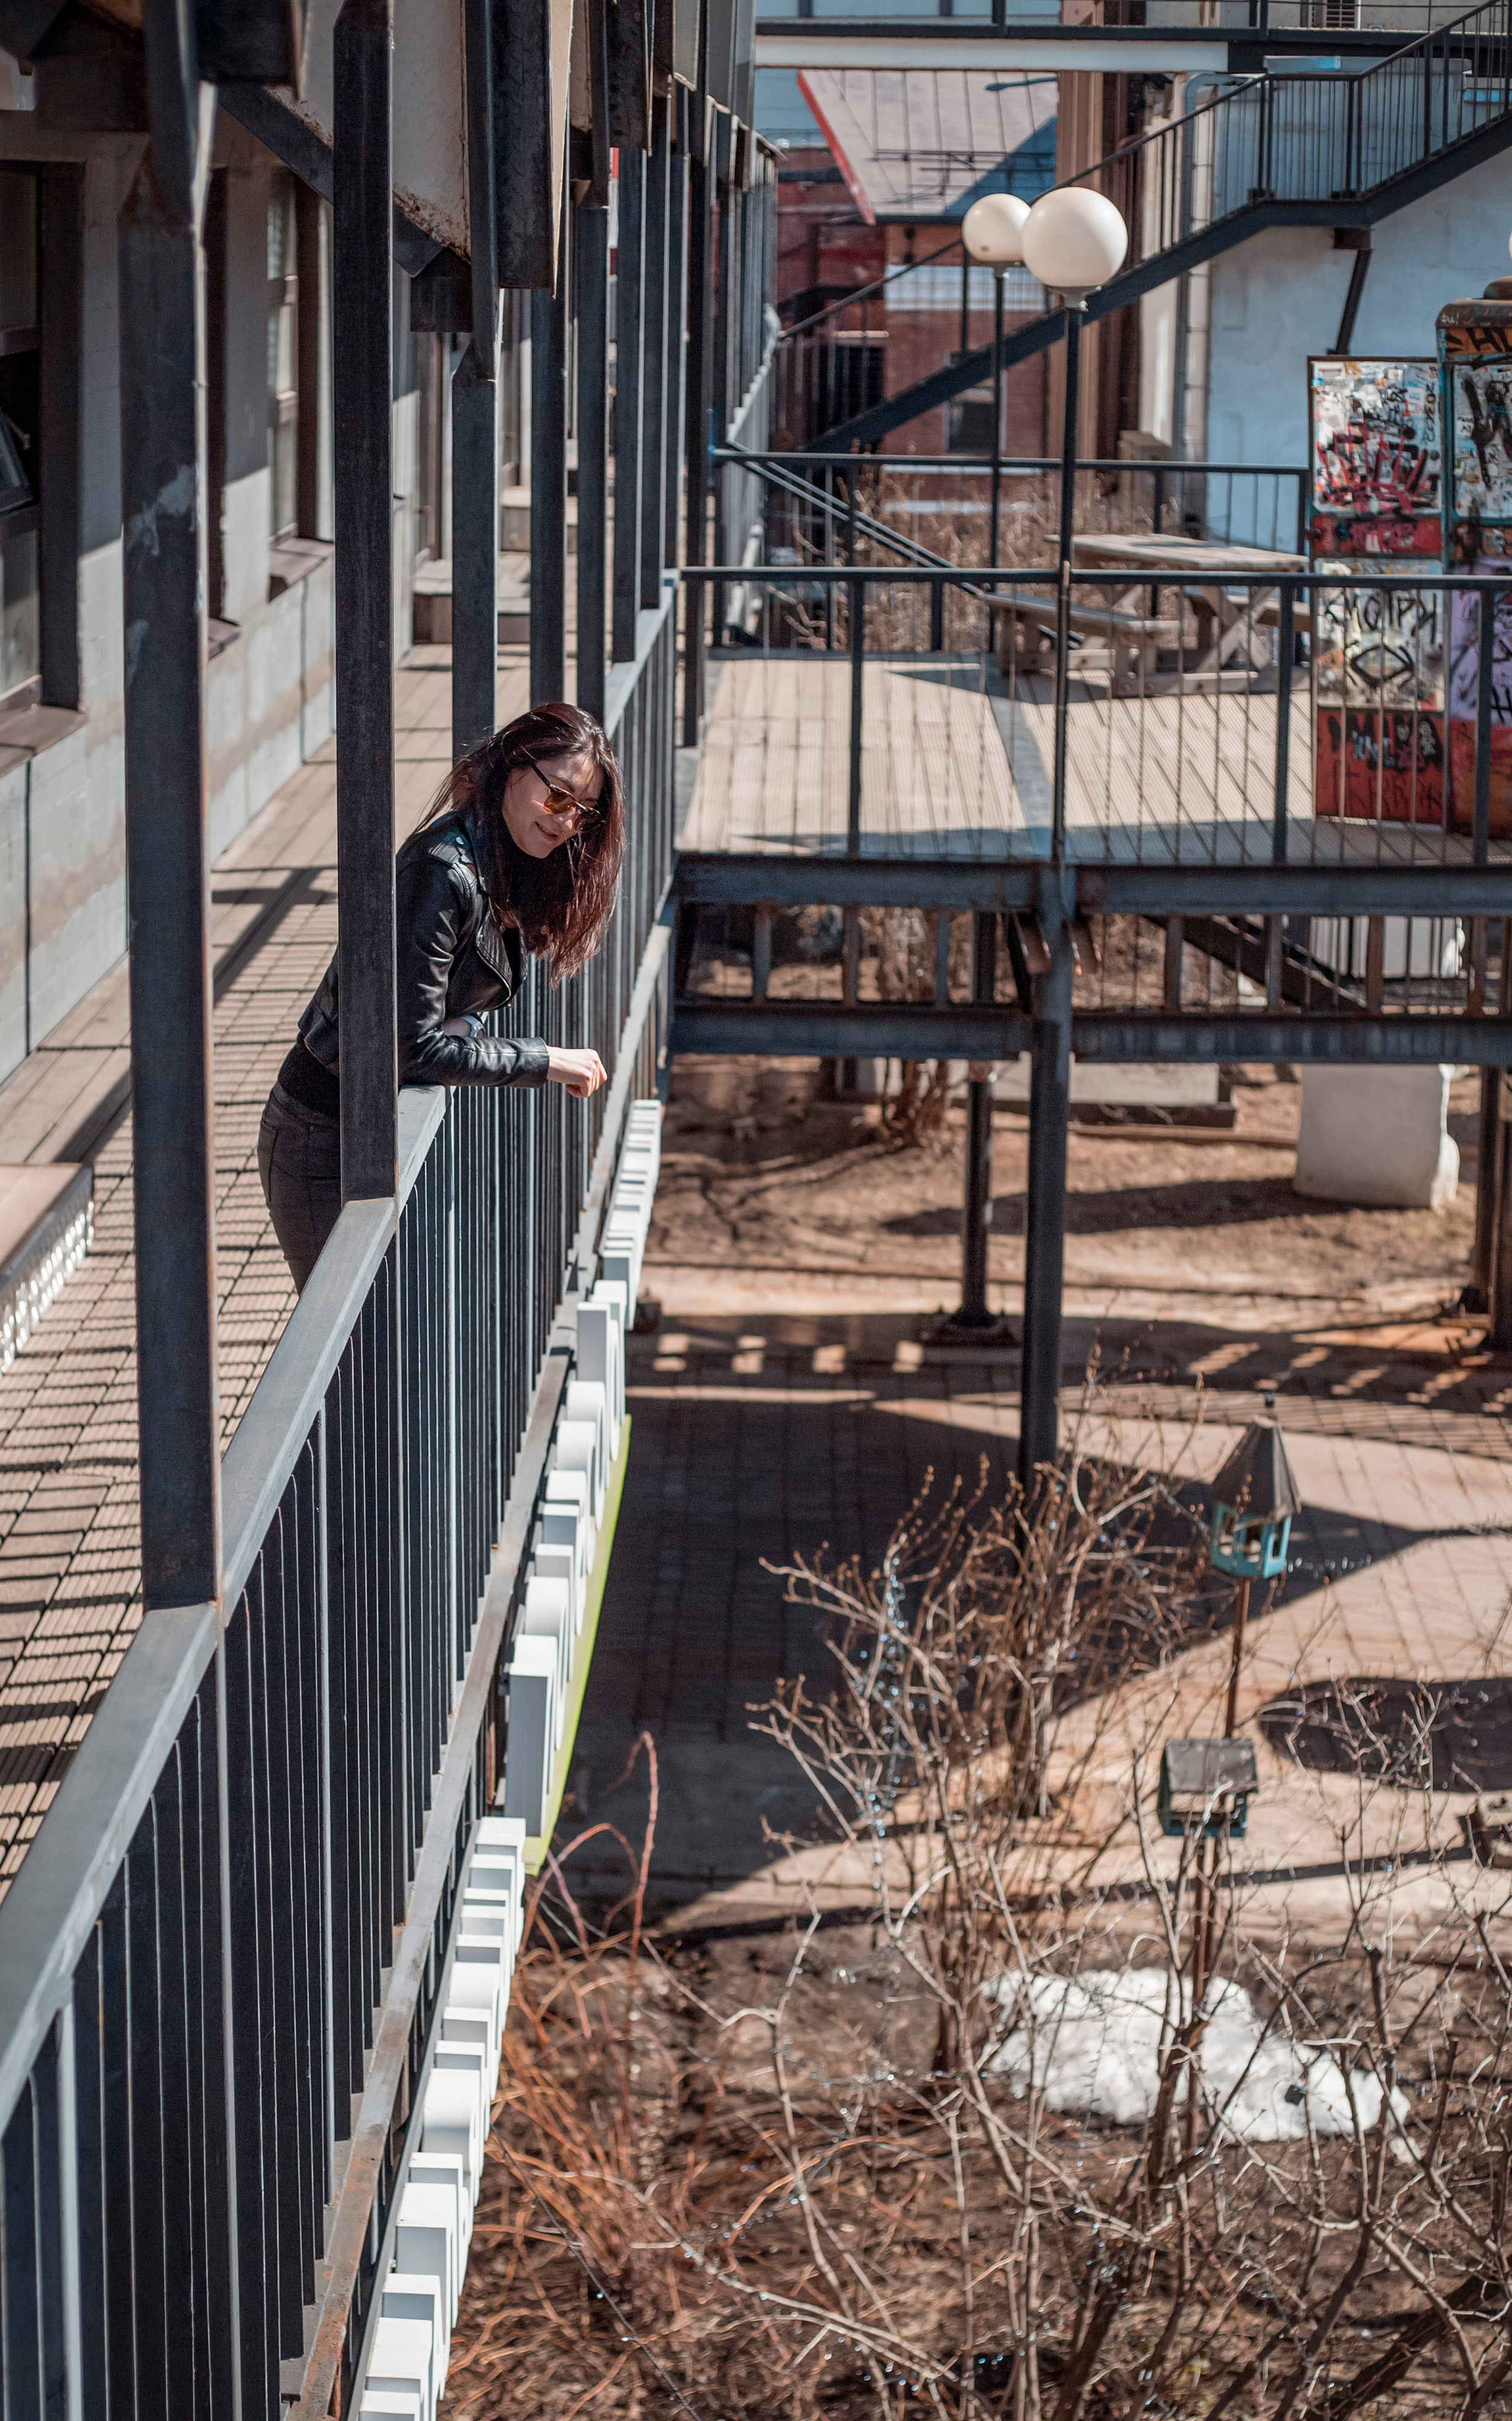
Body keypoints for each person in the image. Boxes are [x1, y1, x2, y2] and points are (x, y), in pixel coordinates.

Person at [259, 700, 622, 1292]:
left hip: (360, 1125)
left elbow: (422, 1012)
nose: (565, 824)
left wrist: (460, 1023)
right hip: (322, 1134)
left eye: (582, 814)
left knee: (380, 1342)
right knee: (358, 1348)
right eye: (558, 798)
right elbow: (408, 1048)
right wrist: (544, 1060)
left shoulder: (496, 858)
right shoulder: (440, 869)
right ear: (512, 766)